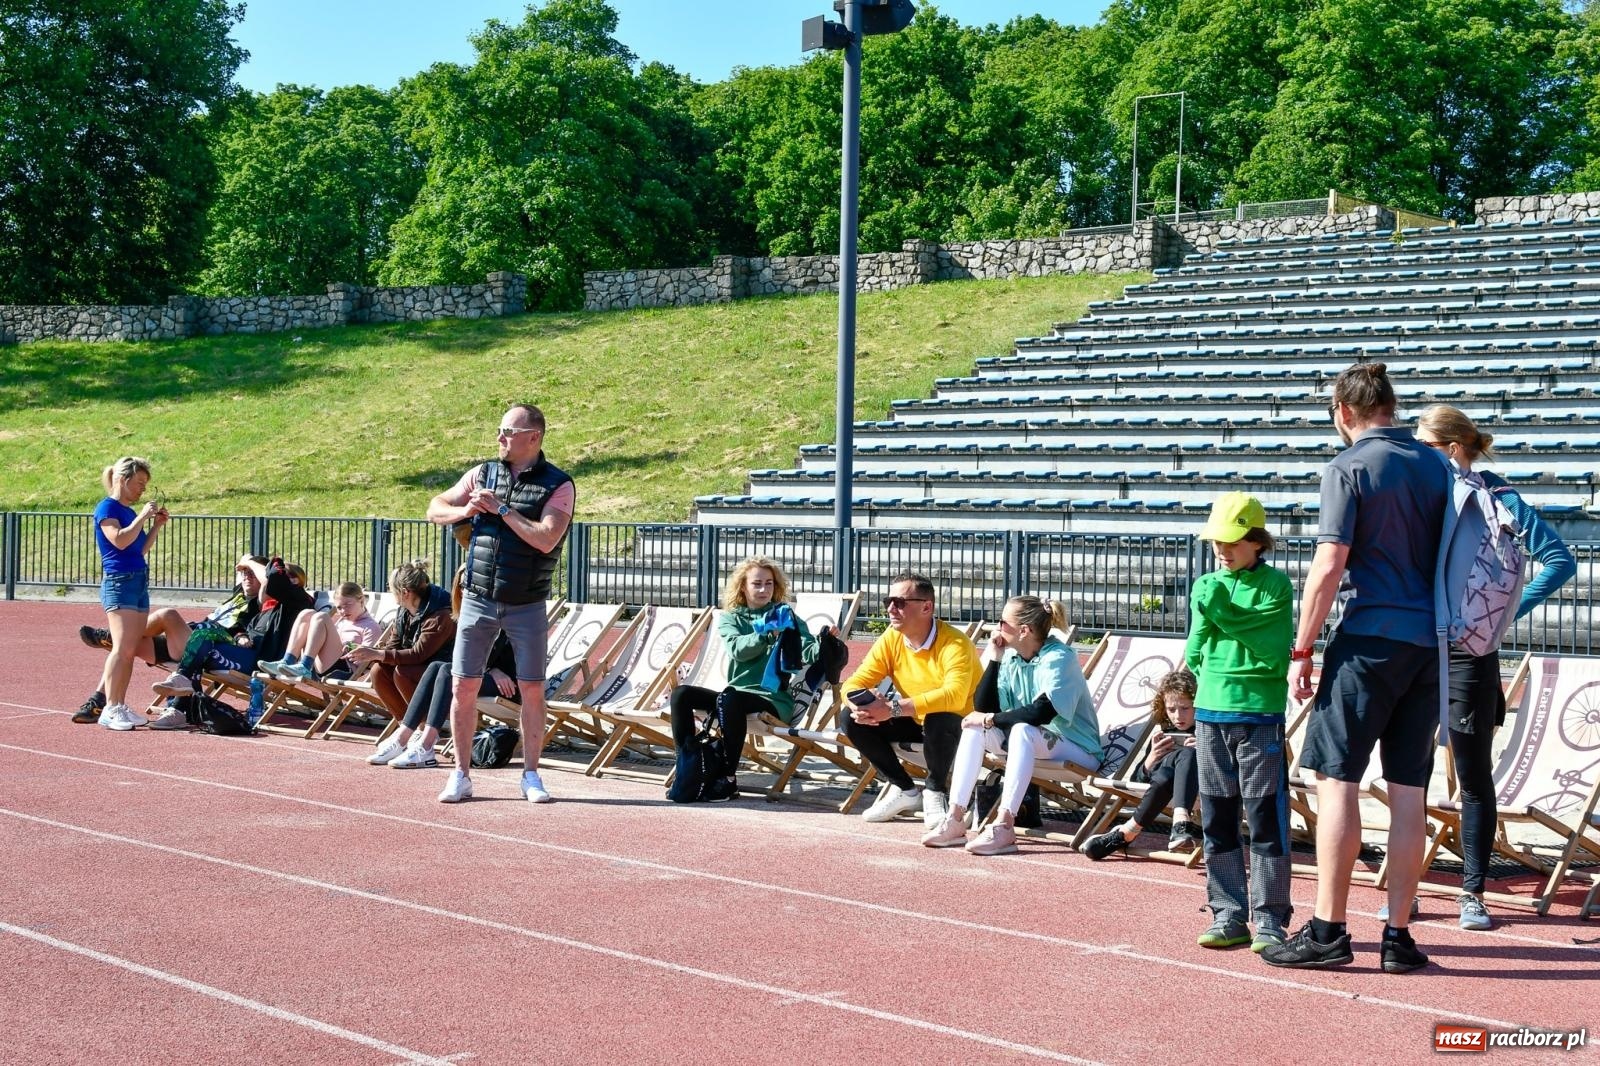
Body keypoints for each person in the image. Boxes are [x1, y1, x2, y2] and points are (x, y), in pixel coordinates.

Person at [1262, 363, 1451, 975]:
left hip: (1369, 638)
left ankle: (1328, 930)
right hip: (1429, 645)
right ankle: (1398, 935)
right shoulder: (1436, 464)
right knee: (1408, 793)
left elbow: (1329, 565)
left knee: (1335, 778)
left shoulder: (1349, 466)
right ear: (1390, 407)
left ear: (1344, 412)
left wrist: (1301, 649)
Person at [1416, 404, 1576, 931]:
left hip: (1468, 654)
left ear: (1454, 449)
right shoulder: (1425, 494)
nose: (1420, 455)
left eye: (1428, 447)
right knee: (1407, 772)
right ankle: (1406, 889)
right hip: (1423, 647)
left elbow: (1560, 559)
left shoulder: (1499, 496)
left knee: (1474, 778)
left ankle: (1472, 893)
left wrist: (1504, 612)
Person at [426, 403, 574, 804]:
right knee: (463, 685)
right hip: (477, 596)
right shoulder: (482, 473)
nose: (499, 438)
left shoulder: (559, 484)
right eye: (499, 430)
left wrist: (503, 510)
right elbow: (434, 508)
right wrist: (466, 508)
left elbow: (547, 538)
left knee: (532, 689)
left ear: (533, 437)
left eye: (506, 431)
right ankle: (460, 774)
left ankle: (531, 775)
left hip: (526, 602)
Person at [1179, 493, 1295, 953]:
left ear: (1255, 541)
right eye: (1216, 543)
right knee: (1218, 818)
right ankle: (1229, 914)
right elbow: (1195, 651)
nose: (1222, 551)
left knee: (1266, 819)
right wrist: (1217, 622)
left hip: (1259, 714)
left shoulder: (1276, 586)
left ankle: (1270, 920)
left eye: (1231, 542)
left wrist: (1221, 615)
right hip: (1210, 713)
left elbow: (1270, 650)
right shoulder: (1209, 583)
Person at [921, 596, 1099, 855]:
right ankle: (955, 819)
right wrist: (994, 658)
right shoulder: (1012, 657)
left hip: (1079, 749)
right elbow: (983, 709)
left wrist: (990, 719)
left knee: (1022, 730)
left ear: (1024, 630)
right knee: (974, 727)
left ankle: (1004, 825)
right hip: (1032, 743)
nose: (997, 628)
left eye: (1003, 622)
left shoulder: (1060, 657)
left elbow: (1041, 713)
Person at [666, 556, 843, 802]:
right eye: (757, 583)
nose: (764, 589)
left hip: (773, 699)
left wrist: (825, 641)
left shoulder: (785, 615)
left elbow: (807, 651)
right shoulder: (731, 618)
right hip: (734, 696)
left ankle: (727, 778)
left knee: (730, 699)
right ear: (743, 587)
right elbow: (739, 650)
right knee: (681, 694)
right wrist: (766, 634)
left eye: (769, 584)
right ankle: (687, 768)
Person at [843, 572, 980, 828]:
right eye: (888, 601)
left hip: (960, 728)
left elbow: (954, 696)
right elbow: (854, 682)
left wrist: (892, 709)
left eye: (901, 602)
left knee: (940, 716)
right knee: (849, 718)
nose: (891, 609)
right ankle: (904, 789)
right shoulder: (891, 637)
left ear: (927, 607)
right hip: (915, 722)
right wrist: (859, 704)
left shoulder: (955, 644)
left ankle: (934, 792)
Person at [73, 564, 260, 724]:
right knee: (126, 647)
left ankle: (114, 634)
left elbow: (267, 582)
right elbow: (242, 571)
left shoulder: (259, 603)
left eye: (252, 574)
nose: (247, 577)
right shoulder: (238, 595)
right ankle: (99, 701)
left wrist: (250, 563)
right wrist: (244, 565)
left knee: (167, 615)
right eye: (244, 573)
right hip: (186, 638)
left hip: (207, 648)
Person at [1080, 667, 1200, 860]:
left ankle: (1127, 832)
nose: (1178, 716)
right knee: (1165, 773)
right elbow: (1138, 781)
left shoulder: (1207, 732)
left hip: (1196, 790)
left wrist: (1205, 749)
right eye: (1171, 709)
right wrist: (1152, 758)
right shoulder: (1163, 736)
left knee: (1186, 755)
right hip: (1163, 789)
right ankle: (1180, 824)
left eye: (1185, 708)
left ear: (1197, 706)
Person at [89, 456, 174, 730]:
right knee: (122, 649)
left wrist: (156, 525)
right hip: (119, 582)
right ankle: (110, 707)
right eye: (138, 483)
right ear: (123, 480)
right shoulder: (107, 508)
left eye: (144, 485)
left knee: (130, 647)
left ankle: (119, 704)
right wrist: (142, 516)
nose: (142, 490)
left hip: (137, 580)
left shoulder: (126, 510)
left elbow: (138, 548)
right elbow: (120, 540)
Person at [151, 556, 313, 697]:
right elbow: (240, 626)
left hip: (259, 660)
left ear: (294, 580)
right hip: (242, 650)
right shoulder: (268, 606)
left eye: (285, 574)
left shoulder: (298, 601)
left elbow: (274, 579)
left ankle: (181, 698)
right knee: (202, 634)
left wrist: (249, 562)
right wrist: (240, 635)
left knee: (201, 645)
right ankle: (181, 691)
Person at [373, 628, 518, 770]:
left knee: (448, 672)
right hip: (485, 675)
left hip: (510, 686)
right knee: (436, 666)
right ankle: (402, 739)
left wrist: (495, 670)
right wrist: (491, 669)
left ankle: (426, 745)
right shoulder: (489, 619)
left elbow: (525, 663)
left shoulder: (521, 619)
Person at [347, 560, 455, 725]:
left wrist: (378, 654)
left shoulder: (440, 615)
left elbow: (418, 654)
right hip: (419, 666)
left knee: (403, 672)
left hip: (443, 670)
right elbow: (393, 646)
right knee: (379, 671)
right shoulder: (403, 611)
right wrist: (367, 652)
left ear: (405, 592)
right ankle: (405, 725)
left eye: (391, 589)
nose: (391, 593)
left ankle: (422, 727)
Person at [261, 581, 382, 681]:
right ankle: (288, 660)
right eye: (339, 607)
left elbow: (368, 661)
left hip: (344, 671)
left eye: (348, 604)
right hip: (320, 665)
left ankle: (305, 666)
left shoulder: (370, 626)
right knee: (307, 613)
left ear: (361, 601)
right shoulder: (340, 620)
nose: (343, 611)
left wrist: (351, 647)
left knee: (321, 617)